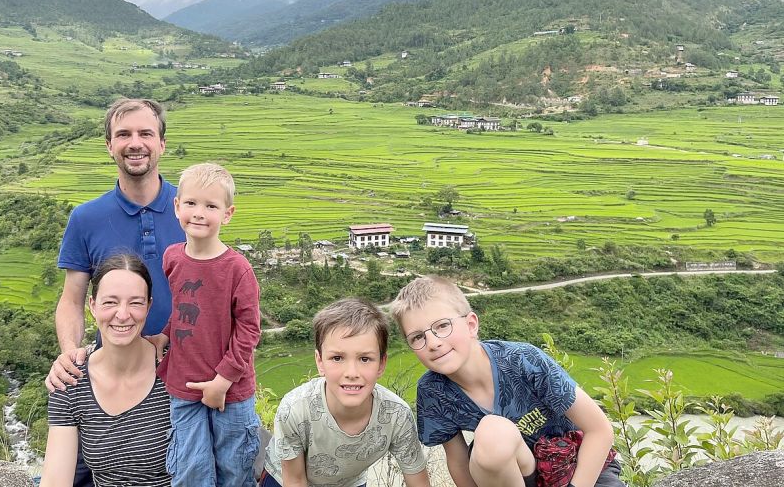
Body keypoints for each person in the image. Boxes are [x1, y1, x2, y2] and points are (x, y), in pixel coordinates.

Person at [45, 98, 185, 487]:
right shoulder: (86, 218)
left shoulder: (189, 210)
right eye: (123, 134)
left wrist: (170, 339)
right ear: (109, 145)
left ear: (162, 143)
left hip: (175, 382)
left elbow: (213, 296)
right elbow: (72, 300)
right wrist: (69, 354)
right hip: (103, 385)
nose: (134, 142)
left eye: (145, 133)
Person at [389, 276, 622, 487]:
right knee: (492, 433)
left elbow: (599, 430)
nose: (432, 342)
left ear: (471, 324)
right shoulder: (433, 391)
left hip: (576, 467)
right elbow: (458, 462)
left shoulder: (523, 360)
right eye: (418, 337)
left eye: (442, 326)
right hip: (515, 475)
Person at [148, 163, 262, 487]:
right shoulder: (172, 258)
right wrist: (165, 336)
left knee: (234, 469)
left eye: (211, 206)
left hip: (232, 391)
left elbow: (249, 329)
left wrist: (223, 380)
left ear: (227, 213)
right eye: (192, 203)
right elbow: (187, 309)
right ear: (177, 207)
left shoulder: (237, 269)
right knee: (189, 468)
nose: (199, 213)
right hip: (184, 384)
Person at [261, 298, 430, 487]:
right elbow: (295, 481)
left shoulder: (396, 416)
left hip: (349, 482)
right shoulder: (295, 409)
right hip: (283, 478)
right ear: (320, 361)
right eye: (337, 358)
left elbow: (418, 480)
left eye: (365, 359)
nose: (351, 373)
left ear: (381, 364)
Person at [41, 253, 171, 487]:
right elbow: (54, 480)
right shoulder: (70, 380)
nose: (122, 315)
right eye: (110, 302)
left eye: (135, 302)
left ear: (149, 306)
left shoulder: (173, 368)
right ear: (92, 305)